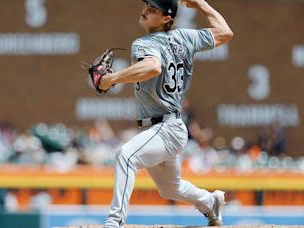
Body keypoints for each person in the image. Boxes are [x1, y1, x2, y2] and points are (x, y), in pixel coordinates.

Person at [98, 0, 233, 227]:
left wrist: (111, 78)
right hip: (167, 129)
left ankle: (114, 222)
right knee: (170, 188)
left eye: (153, 9)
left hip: (165, 128)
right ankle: (211, 202)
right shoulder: (185, 37)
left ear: (166, 18)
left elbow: (152, 67)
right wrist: (201, 4)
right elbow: (225, 33)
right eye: (147, 6)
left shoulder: (143, 42)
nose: (145, 10)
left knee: (126, 155)